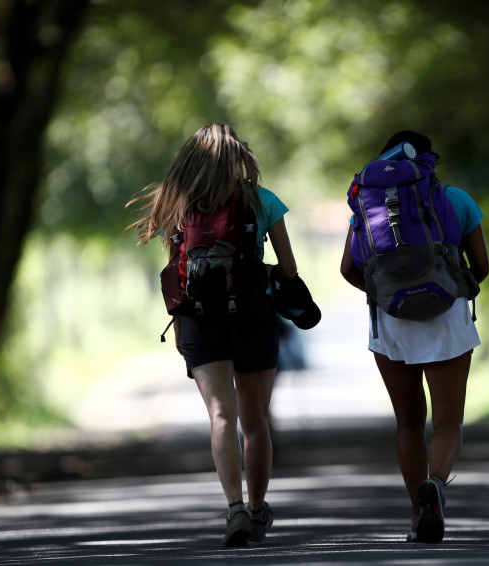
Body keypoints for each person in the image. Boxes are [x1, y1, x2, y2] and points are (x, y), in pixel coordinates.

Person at [127, 123, 299, 547]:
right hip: (254, 318)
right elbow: (290, 271)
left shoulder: (176, 204)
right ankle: (258, 511)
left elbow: (175, 273)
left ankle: (234, 508)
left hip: (201, 323)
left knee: (222, 416)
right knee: (256, 420)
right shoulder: (261, 199)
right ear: (238, 156)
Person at [340, 131, 489, 543]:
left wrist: (388, 295)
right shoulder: (455, 199)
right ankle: (436, 487)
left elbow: (348, 270)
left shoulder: (366, 204)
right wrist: (450, 292)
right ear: (427, 161)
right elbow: (481, 266)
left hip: (390, 321)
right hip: (448, 317)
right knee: (448, 421)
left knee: (408, 423)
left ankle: (416, 514)